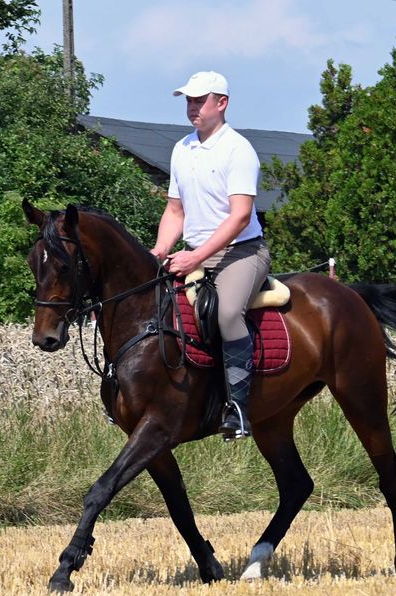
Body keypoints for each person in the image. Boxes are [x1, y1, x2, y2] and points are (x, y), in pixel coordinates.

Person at [150, 71, 271, 440]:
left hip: (242, 252)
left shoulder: (238, 150)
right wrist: (160, 249)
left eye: (199, 100)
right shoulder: (182, 148)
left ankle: (237, 408)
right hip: (195, 253)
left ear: (222, 103)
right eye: (188, 100)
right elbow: (175, 211)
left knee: (227, 312)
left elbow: (240, 217)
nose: (192, 107)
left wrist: (194, 256)